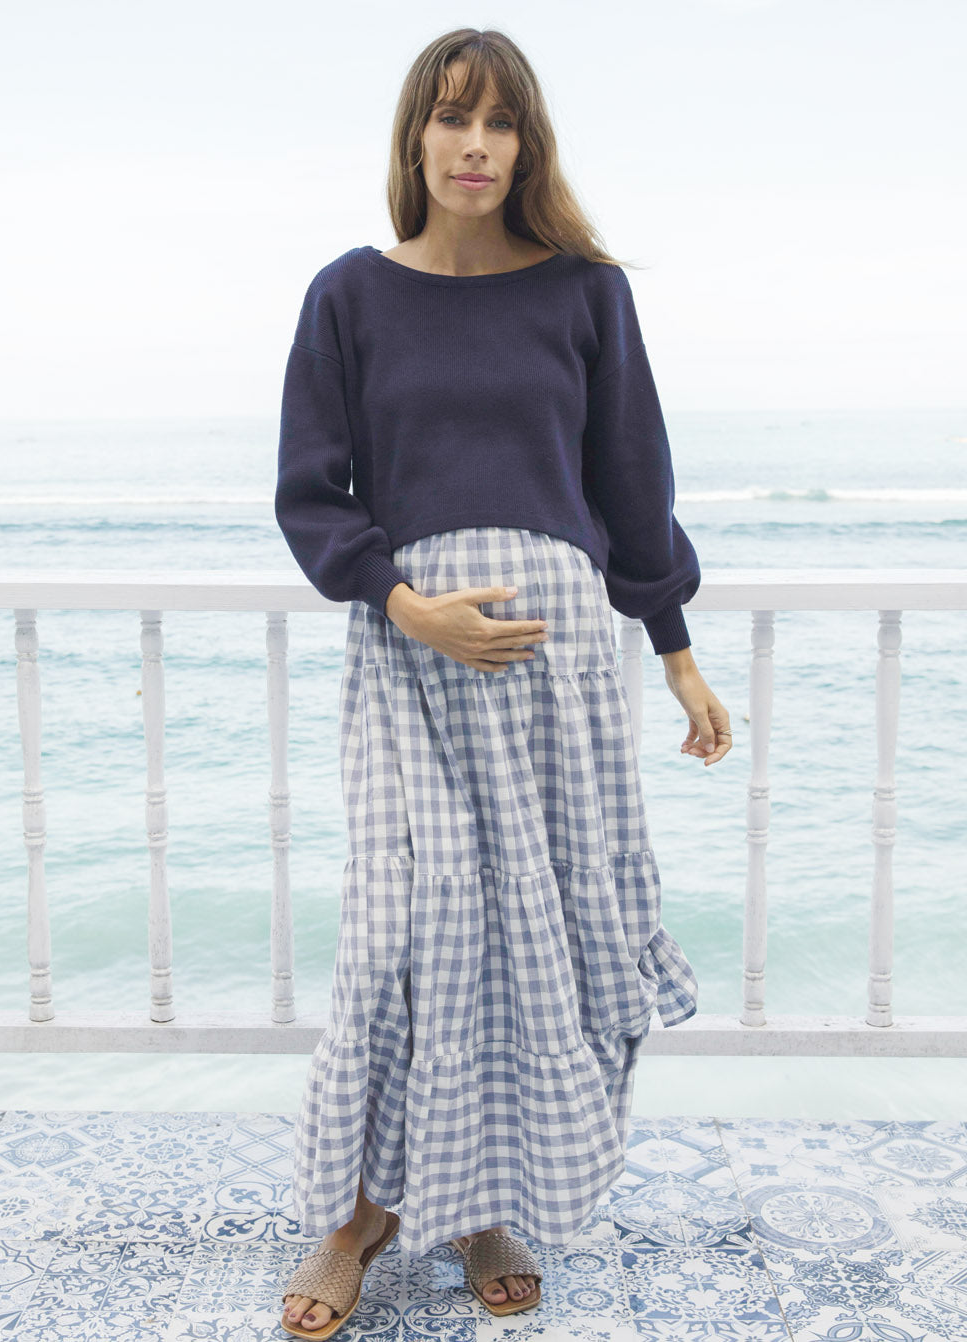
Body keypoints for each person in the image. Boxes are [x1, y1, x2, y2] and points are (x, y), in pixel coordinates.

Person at [273, 26, 732, 1337]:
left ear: (526, 144)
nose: (475, 144)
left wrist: (679, 655)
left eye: (499, 123)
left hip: (560, 667)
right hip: (413, 653)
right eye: (452, 118)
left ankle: (483, 1203)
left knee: (534, 946)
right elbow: (312, 493)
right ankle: (360, 1212)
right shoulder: (349, 295)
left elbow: (633, 487)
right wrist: (410, 603)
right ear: (415, 136)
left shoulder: (584, 292)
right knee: (404, 936)